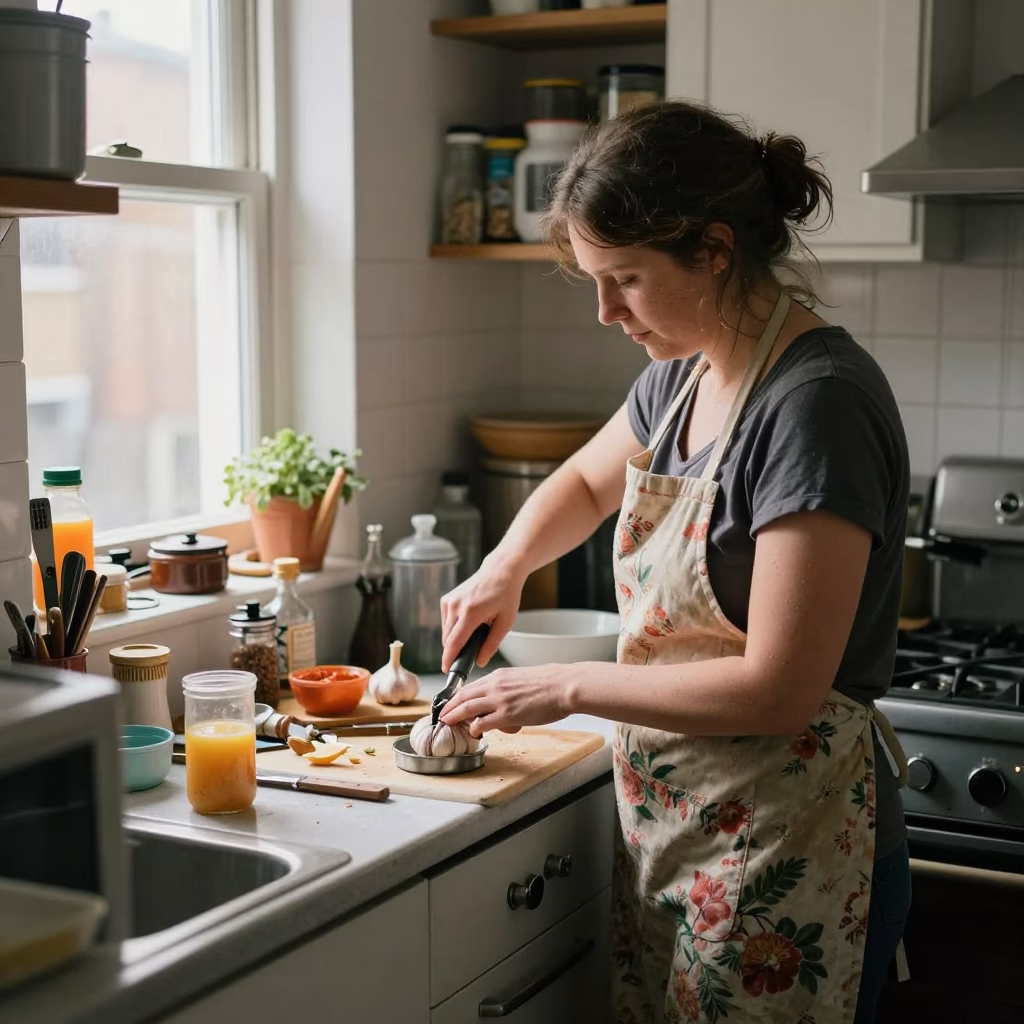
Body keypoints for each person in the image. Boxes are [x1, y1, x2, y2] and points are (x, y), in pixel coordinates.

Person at [439, 100, 912, 1024]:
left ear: (716, 251)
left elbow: (779, 689)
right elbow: (581, 484)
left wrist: (567, 686)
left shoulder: (814, 406)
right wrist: (503, 565)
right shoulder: (679, 375)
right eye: (592, 280)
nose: (608, 312)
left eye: (625, 279)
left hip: (795, 848)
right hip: (679, 837)